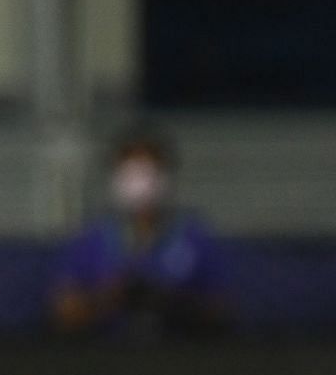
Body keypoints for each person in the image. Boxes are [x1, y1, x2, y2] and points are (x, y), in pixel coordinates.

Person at [50, 126, 229, 340]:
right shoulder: (91, 239)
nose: (141, 182)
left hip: (180, 359)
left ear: (166, 175)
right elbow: (64, 315)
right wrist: (111, 298)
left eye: (149, 172)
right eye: (131, 173)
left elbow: (223, 312)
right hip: (104, 361)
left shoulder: (194, 237)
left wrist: (173, 302)